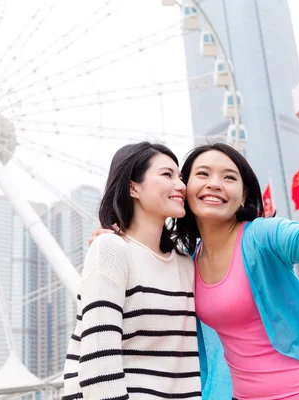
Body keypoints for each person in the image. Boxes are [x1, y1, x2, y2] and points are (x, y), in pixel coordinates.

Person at [91, 92, 299, 400]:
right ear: (185, 190)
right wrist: (115, 238)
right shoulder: (187, 262)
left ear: (243, 196)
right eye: (202, 174)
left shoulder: (263, 236)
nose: (215, 183)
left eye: (229, 177)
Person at [62, 142, 202, 400]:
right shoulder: (110, 249)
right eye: (167, 175)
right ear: (133, 187)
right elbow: (99, 362)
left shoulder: (186, 264)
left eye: (180, 177)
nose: (181, 186)